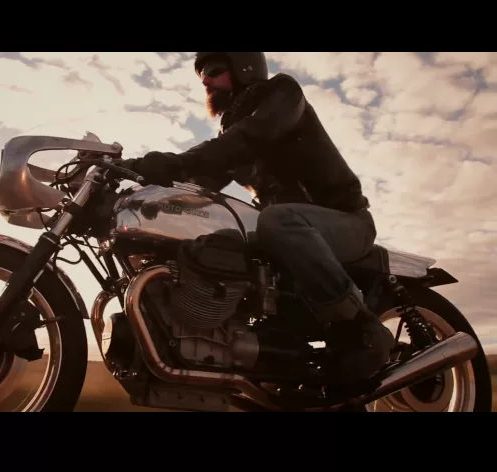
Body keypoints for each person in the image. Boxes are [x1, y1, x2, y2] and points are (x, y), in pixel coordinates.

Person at [119, 52, 395, 385]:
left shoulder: (282, 94)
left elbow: (252, 135)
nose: (206, 81)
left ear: (244, 66)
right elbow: (198, 183)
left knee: (277, 220)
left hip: (347, 221)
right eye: (202, 75)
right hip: (290, 236)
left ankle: (360, 328)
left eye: (213, 70)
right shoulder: (234, 135)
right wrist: (138, 176)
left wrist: (176, 161)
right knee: (215, 243)